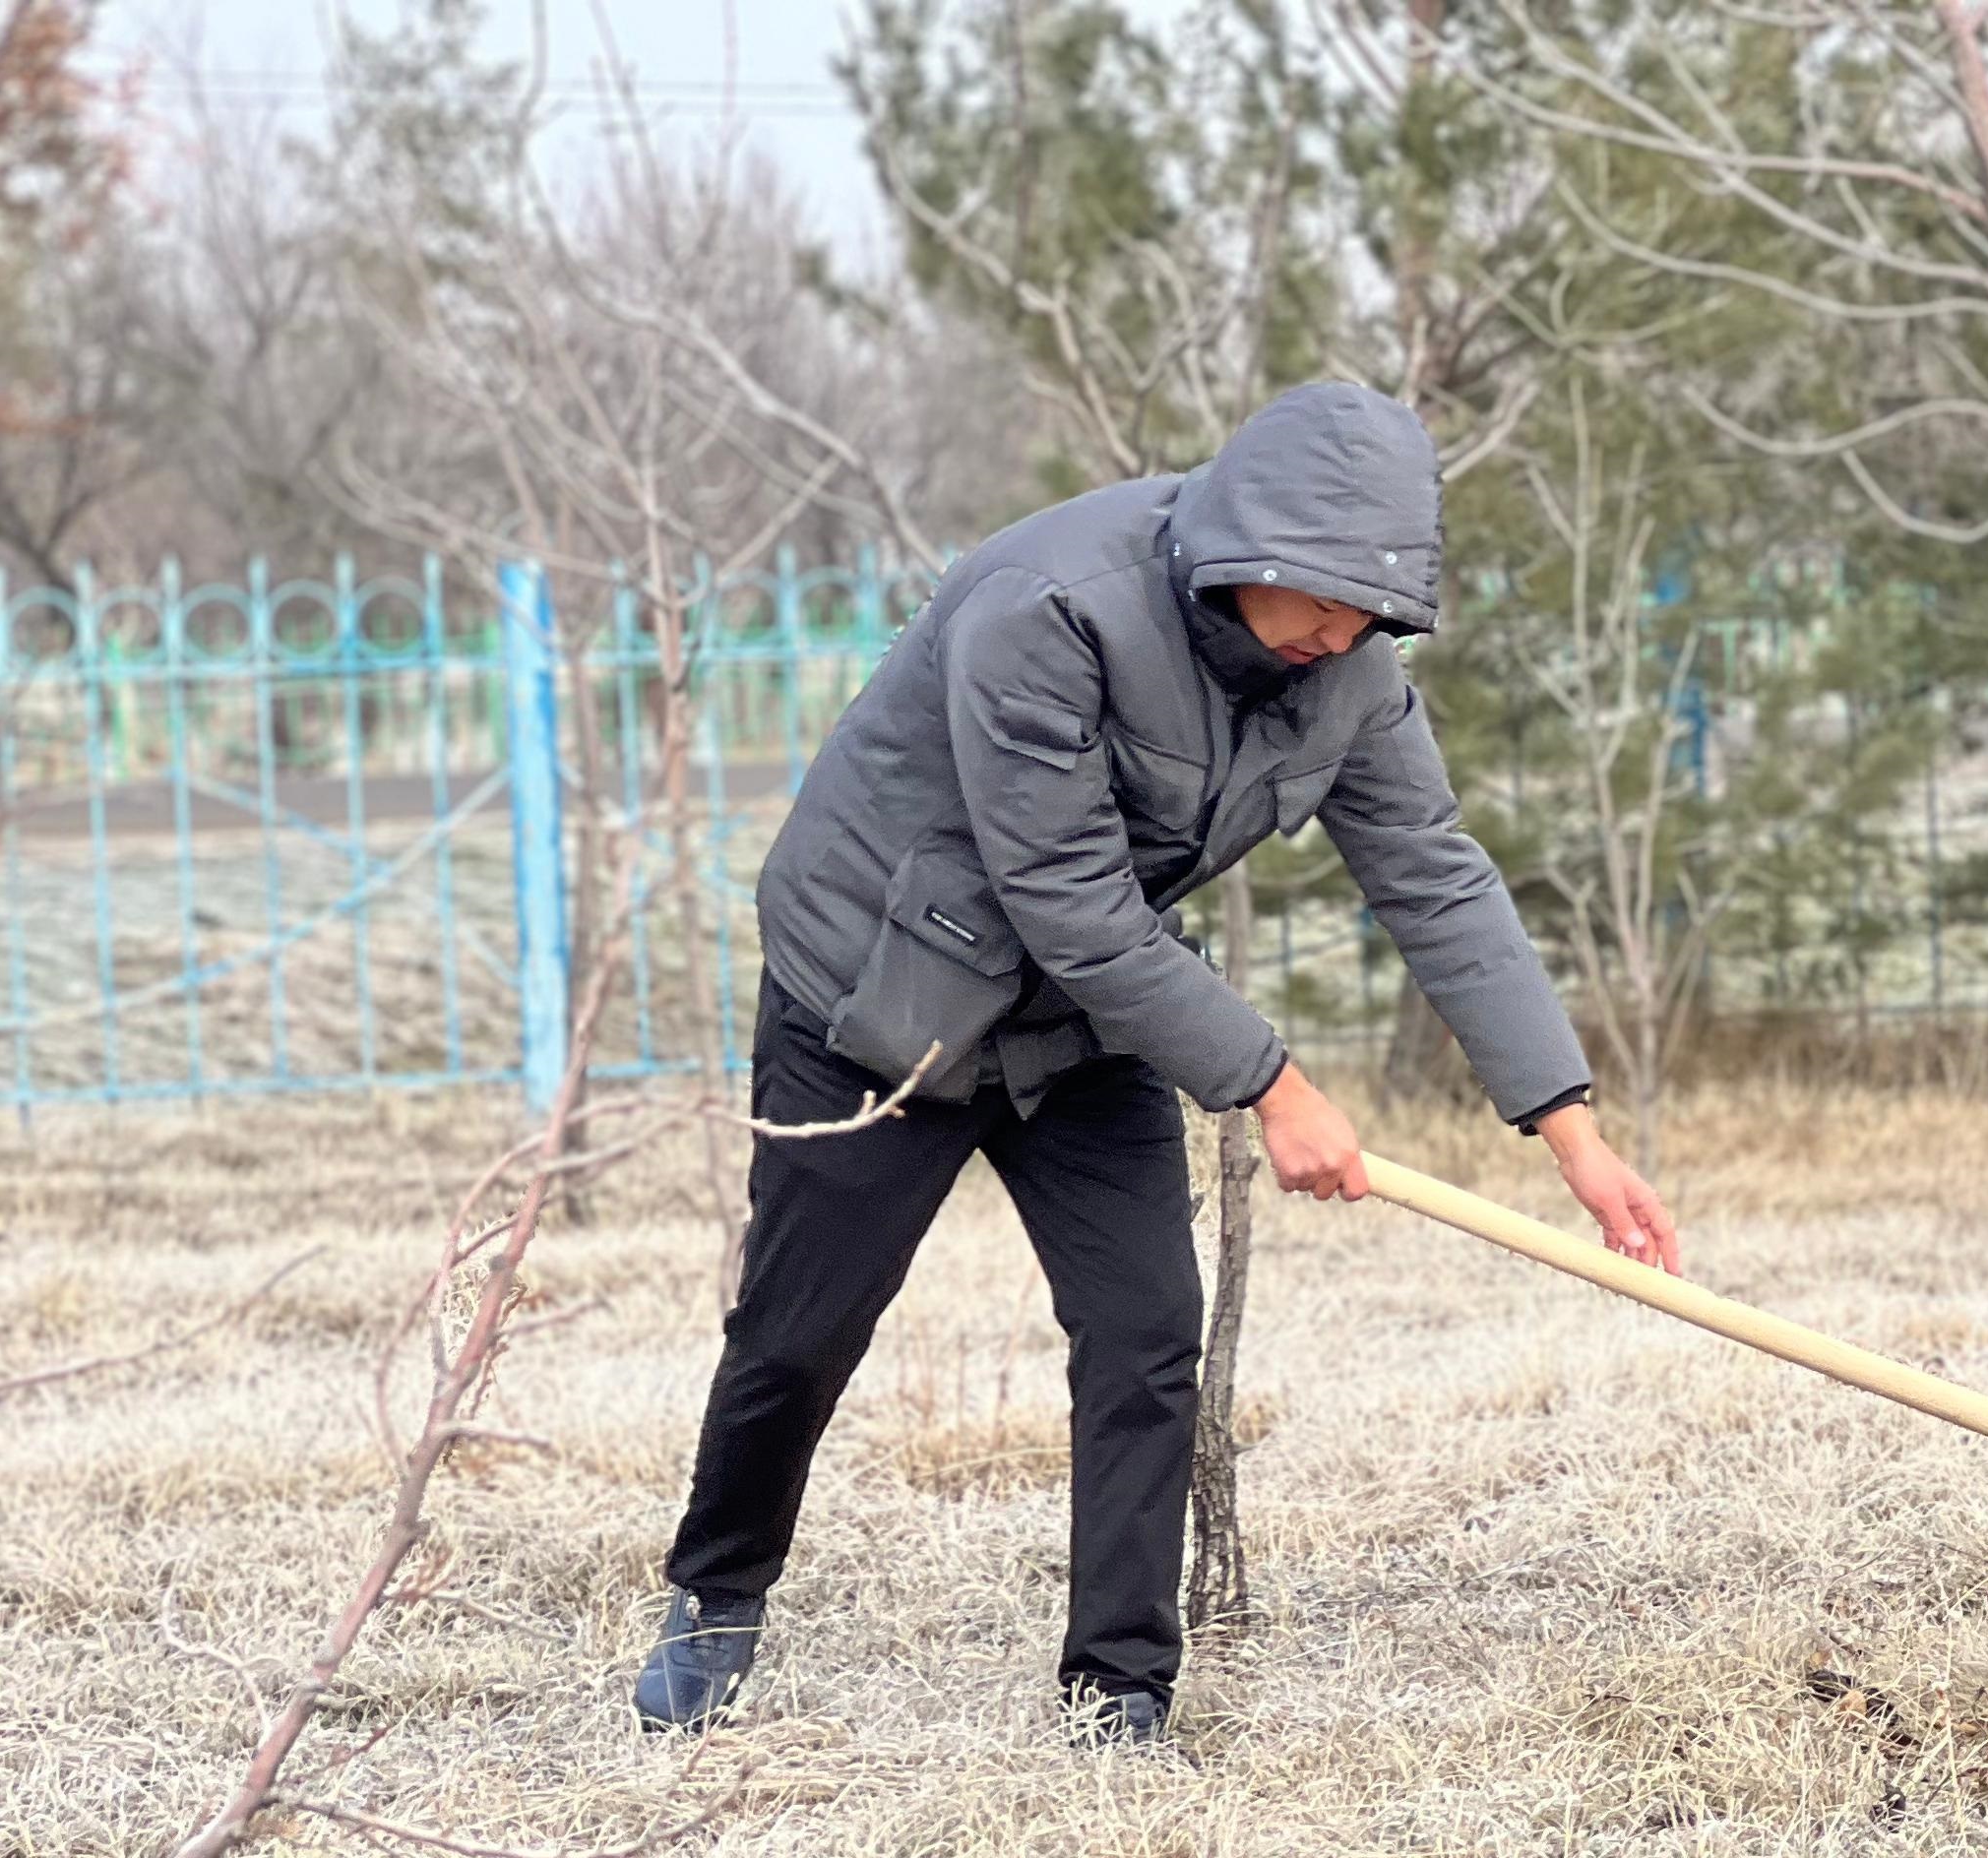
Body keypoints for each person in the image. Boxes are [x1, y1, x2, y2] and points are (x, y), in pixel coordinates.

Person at [630, 382, 1676, 1747]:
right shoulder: (1051, 605)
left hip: (1087, 1018)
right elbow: (1065, 895)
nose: (1339, 631)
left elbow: (1437, 878)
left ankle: (1119, 1685)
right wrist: (1274, 1087)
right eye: (1318, 595)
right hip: (876, 991)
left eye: (1371, 607)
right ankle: (717, 1595)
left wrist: (1573, 1133)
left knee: (1142, 1334)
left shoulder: (1346, 676)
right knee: (801, 1329)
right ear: (1243, 541)